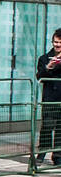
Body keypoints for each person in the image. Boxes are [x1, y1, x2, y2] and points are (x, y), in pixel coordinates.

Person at [34, 29, 61, 167]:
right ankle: (42, 154)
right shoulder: (44, 58)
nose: (57, 45)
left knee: (60, 129)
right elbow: (39, 77)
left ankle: (57, 156)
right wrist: (49, 67)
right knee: (47, 127)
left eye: (60, 43)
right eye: (55, 42)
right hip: (50, 98)